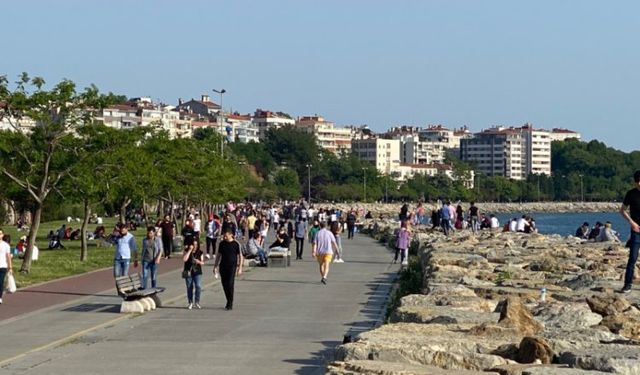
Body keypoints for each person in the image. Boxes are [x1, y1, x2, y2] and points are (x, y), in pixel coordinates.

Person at [620, 170, 640, 293]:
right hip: (636, 230)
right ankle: (627, 284)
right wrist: (632, 223)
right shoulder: (631, 194)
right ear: (635, 182)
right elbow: (622, 210)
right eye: (638, 182)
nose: (639, 184)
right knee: (632, 257)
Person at [214, 230, 243, 310]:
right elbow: (219, 255)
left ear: (231, 235)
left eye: (226, 236)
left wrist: (240, 268)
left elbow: (240, 256)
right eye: (224, 236)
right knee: (224, 285)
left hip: (232, 266)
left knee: (230, 284)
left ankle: (230, 302)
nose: (224, 237)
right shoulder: (222, 244)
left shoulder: (236, 244)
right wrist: (215, 266)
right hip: (223, 266)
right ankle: (228, 300)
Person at [182, 241, 204, 309]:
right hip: (188, 272)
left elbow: (203, 263)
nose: (195, 246)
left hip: (197, 272)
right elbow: (184, 259)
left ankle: (197, 301)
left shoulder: (200, 252)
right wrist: (190, 250)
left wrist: (198, 262)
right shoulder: (186, 251)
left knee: (198, 286)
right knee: (189, 287)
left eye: (196, 245)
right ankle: (190, 302)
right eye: (193, 244)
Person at [0, 229, 13, 304]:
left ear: (2, 235)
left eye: (0, 233)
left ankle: (0, 297)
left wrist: (10, 267)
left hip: (2, 266)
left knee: (0, 282)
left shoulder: (6, 245)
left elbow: (8, 257)